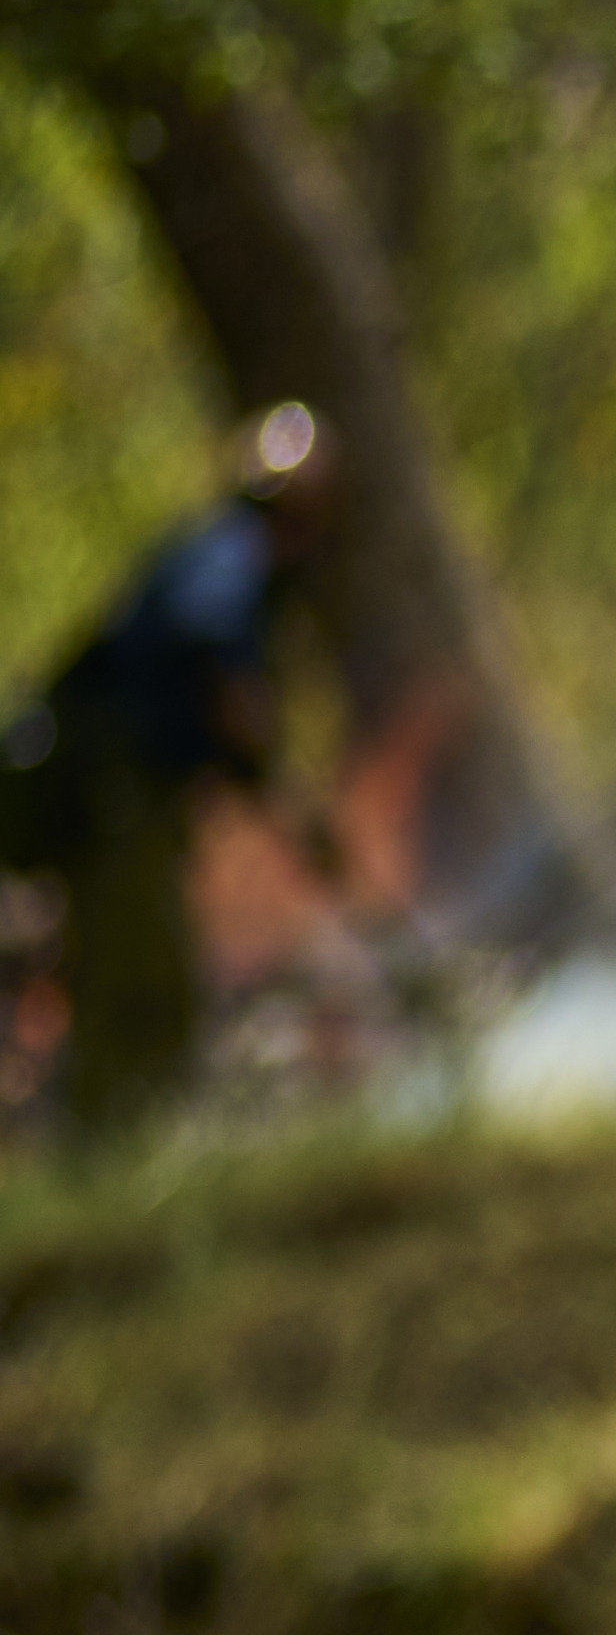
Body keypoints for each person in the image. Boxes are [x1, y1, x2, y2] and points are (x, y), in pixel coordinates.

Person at [6, 405, 336, 1138]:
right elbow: (209, 654)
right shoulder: (228, 553)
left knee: (124, 986)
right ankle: (120, 1158)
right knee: (151, 991)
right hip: (112, 799)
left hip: (111, 799)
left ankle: (107, 1156)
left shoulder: (216, 551)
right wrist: (269, 771)